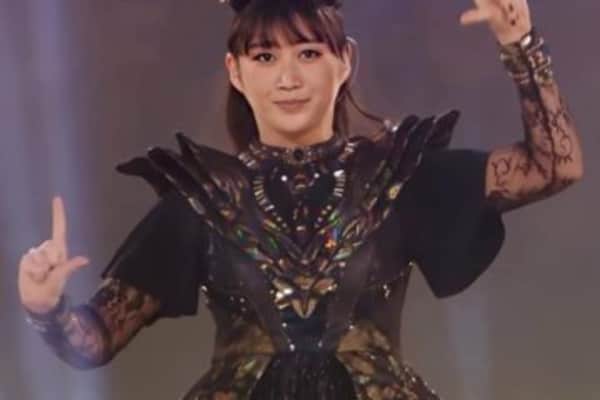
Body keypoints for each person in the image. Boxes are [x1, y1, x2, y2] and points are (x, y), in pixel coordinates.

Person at [18, 0, 583, 399]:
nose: (287, 78)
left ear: (345, 61)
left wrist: (522, 47)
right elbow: (93, 342)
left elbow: (554, 166)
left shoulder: (397, 176)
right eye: (265, 57)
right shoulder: (205, 197)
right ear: (236, 71)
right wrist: (45, 308)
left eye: (308, 53)